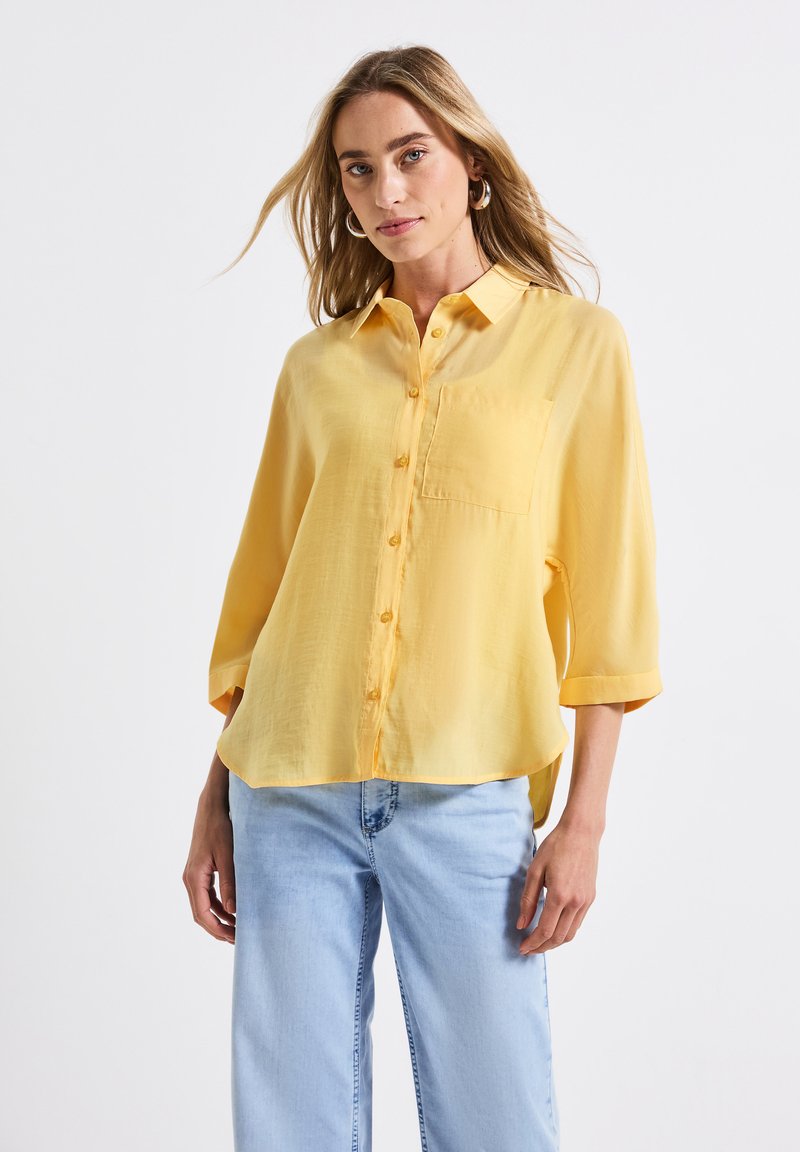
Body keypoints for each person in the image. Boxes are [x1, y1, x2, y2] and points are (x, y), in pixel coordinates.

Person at [183, 44, 662, 1152]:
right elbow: (267, 596)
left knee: (497, 1123)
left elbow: (613, 608)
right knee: (288, 1127)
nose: (385, 191)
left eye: (410, 156)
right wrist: (215, 797)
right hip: (286, 790)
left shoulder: (575, 347)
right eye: (357, 170)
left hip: (467, 788)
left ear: (471, 162)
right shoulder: (317, 368)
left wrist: (584, 822)